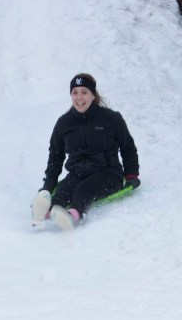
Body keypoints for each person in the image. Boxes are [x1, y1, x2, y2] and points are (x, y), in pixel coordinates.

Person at [32, 73, 140, 230]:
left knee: (83, 190)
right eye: (75, 92)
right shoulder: (64, 123)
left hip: (108, 173)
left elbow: (127, 146)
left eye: (84, 92)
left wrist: (131, 175)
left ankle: (72, 215)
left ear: (92, 95)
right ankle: (45, 213)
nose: (79, 97)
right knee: (63, 191)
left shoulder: (111, 119)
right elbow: (55, 156)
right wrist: (47, 187)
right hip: (77, 173)